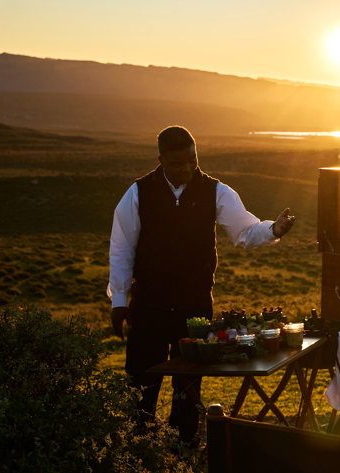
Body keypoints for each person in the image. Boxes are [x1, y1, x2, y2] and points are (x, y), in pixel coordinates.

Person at [107, 125, 295, 444]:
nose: (187, 168)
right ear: (161, 159)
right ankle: (139, 450)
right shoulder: (137, 193)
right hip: (149, 307)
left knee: (189, 387)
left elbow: (244, 230)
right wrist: (119, 301)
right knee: (141, 386)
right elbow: (121, 247)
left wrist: (273, 230)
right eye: (177, 163)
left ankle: (186, 449)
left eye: (192, 160)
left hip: (194, 308)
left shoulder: (216, 191)